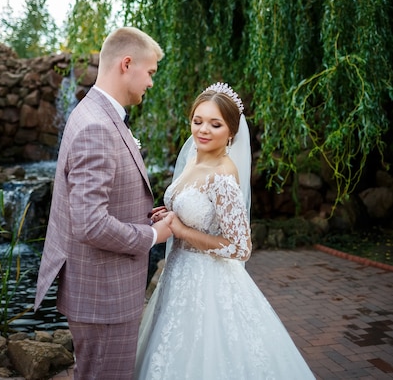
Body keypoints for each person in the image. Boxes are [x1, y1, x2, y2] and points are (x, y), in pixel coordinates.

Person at [134, 82, 315, 379]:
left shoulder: (223, 175)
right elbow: (197, 211)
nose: (203, 130)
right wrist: (172, 212)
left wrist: (180, 229)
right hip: (177, 275)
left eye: (215, 124)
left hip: (208, 281)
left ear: (231, 131)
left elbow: (240, 247)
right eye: (198, 121)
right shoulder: (193, 159)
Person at [35, 26, 173, 380]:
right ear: (127, 64)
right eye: (151, 72)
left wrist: (145, 212)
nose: (152, 83)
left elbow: (105, 198)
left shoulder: (95, 113)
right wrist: (152, 234)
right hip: (104, 297)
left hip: (100, 289)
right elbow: (91, 224)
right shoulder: (97, 126)